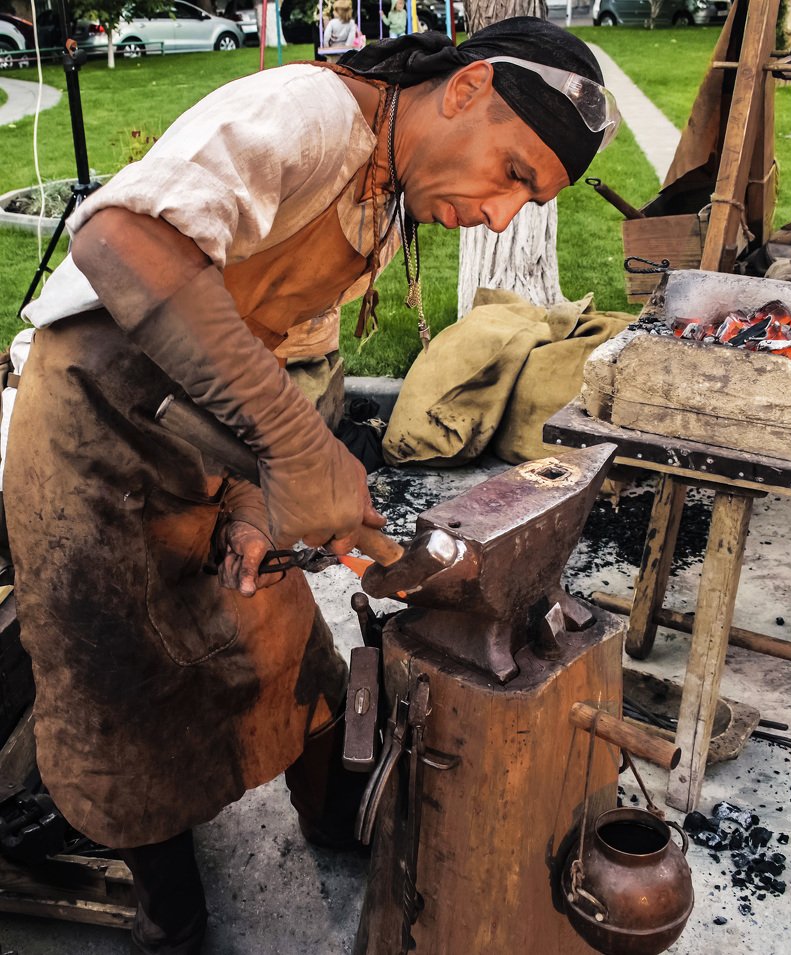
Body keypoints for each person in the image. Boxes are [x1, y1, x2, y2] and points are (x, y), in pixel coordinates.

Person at [6, 18, 619, 955]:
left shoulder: (382, 198)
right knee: (118, 696)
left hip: (207, 443)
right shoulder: (311, 112)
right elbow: (120, 239)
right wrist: (298, 447)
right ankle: (169, 914)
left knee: (287, 646)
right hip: (95, 445)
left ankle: (339, 818)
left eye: (524, 201)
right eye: (514, 174)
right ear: (466, 89)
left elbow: (277, 349)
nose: (501, 216)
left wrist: (258, 496)